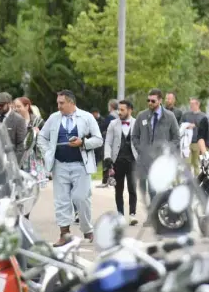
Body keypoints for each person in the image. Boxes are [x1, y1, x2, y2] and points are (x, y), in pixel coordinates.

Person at [37, 89, 104, 245]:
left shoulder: (87, 117)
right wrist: (47, 152)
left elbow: (99, 139)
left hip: (81, 165)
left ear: (71, 102)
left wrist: (83, 143)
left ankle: (88, 230)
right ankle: (64, 234)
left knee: (81, 198)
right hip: (59, 165)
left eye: (62, 103)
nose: (59, 106)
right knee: (61, 200)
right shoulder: (53, 118)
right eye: (58, 103)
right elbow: (42, 137)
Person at [131, 88, 181, 201]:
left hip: (163, 160)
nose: (150, 103)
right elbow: (134, 137)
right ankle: (154, 216)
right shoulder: (141, 116)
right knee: (152, 190)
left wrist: (166, 150)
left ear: (160, 101)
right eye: (148, 100)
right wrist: (142, 150)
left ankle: (162, 214)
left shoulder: (170, 116)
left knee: (163, 189)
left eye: (153, 101)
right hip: (147, 160)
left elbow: (176, 138)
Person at [103, 99, 139, 225]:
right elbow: (108, 142)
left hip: (133, 160)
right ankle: (120, 215)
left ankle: (133, 214)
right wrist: (107, 157)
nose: (119, 112)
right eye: (119, 109)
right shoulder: (113, 124)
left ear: (130, 110)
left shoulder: (137, 123)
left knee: (132, 187)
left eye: (122, 110)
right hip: (117, 160)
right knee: (118, 189)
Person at [13, 96, 47, 187]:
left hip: (34, 158)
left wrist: (39, 134)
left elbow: (47, 140)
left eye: (18, 106)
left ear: (27, 106)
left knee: (35, 187)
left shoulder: (38, 122)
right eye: (15, 107)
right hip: (18, 157)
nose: (16, 109)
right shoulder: (13, 122)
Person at [180, 97, 206, 173]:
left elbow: (206, 129)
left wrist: (196, 125)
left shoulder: (203, 116)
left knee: (196, 163)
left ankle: (197, 182)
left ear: (198, 104)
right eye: (190, 104)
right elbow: (180, 124)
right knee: (187, 163)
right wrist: (185, 126)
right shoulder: (186, 115)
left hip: (197, 143)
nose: (190, 105)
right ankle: (188, 182)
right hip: (186, 143)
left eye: (192, 104)